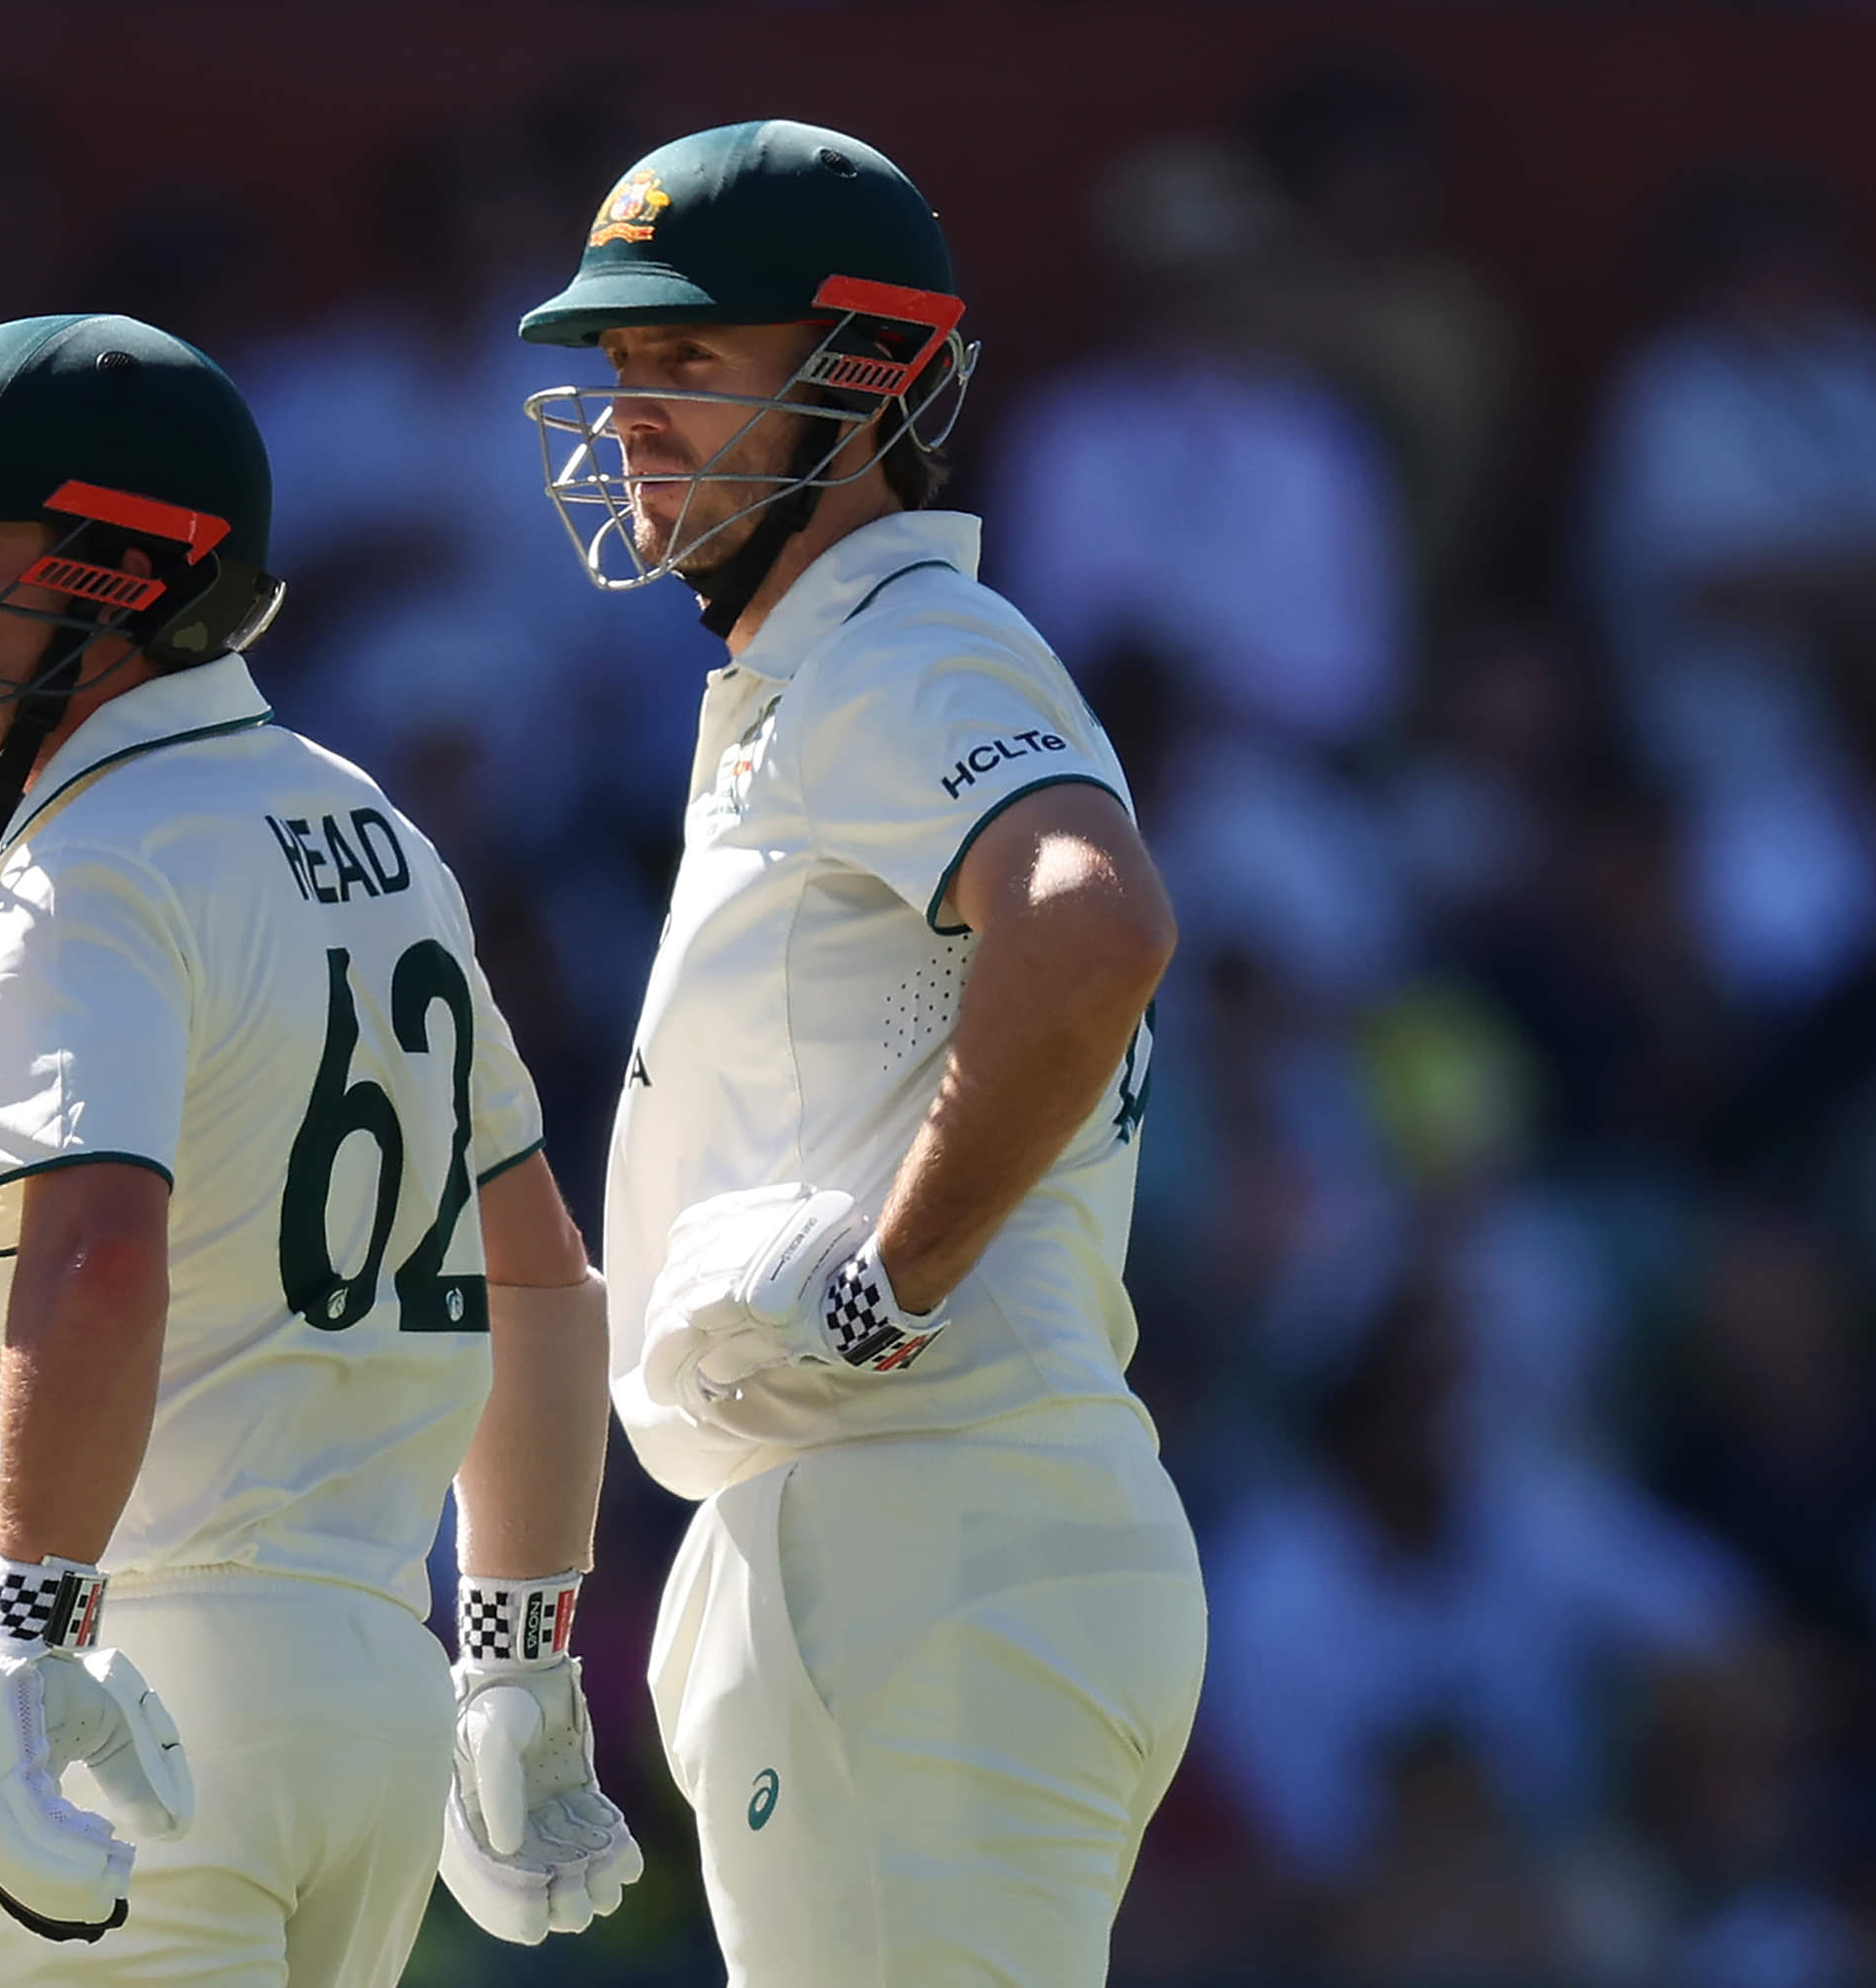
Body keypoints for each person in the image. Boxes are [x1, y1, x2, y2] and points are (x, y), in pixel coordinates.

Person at [0, 314, 639, 1984]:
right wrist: (520, 1658)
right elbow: (539, 1277)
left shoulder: (89, 869)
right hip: (372, 1702)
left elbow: (100, 1255)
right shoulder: (375, 828)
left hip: (127, 1687)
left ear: (116, 572)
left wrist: (26, 1640)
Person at [517, 121, 1206, 1984]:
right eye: (621, 365)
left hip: (921, 1521)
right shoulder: (824, 671)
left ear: (868, 384)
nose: (633, 409)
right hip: (927, 1536)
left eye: (692, 361)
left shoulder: (905, 647)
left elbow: (1094, 925)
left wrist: (885, 1286)